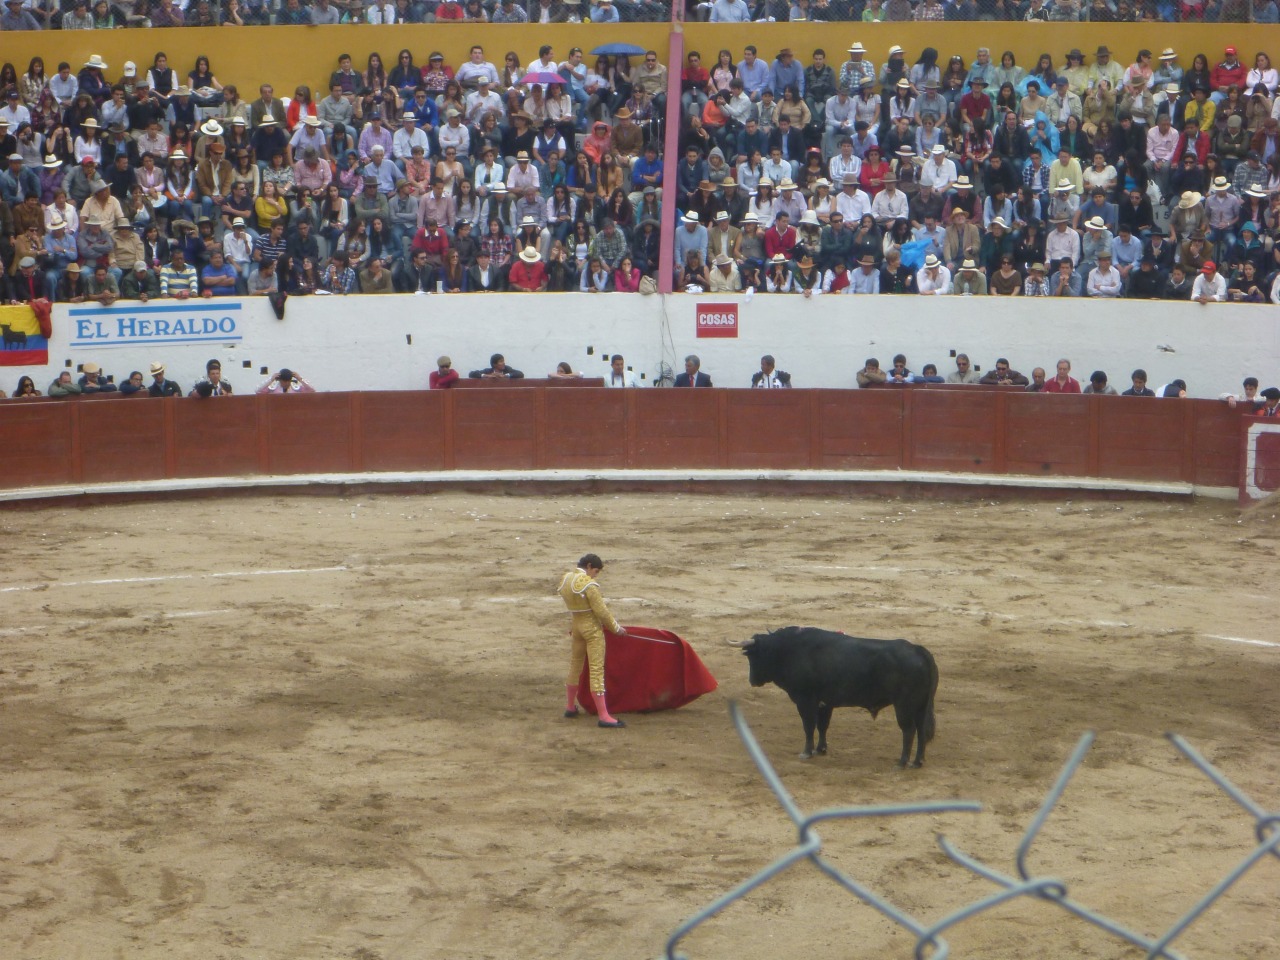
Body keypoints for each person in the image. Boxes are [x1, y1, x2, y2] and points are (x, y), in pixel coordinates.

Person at [558, 553, 630, 728]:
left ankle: (569, 707)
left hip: (576, 627)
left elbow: (575, 608)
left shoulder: (566, 579)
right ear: (589, 566)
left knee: (575, 665)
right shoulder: (589, 585)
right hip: (591, 630)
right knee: (596, 669)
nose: (595, 575)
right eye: (595, 571)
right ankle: (604, 716)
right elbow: (602, 612)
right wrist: (616, 628)